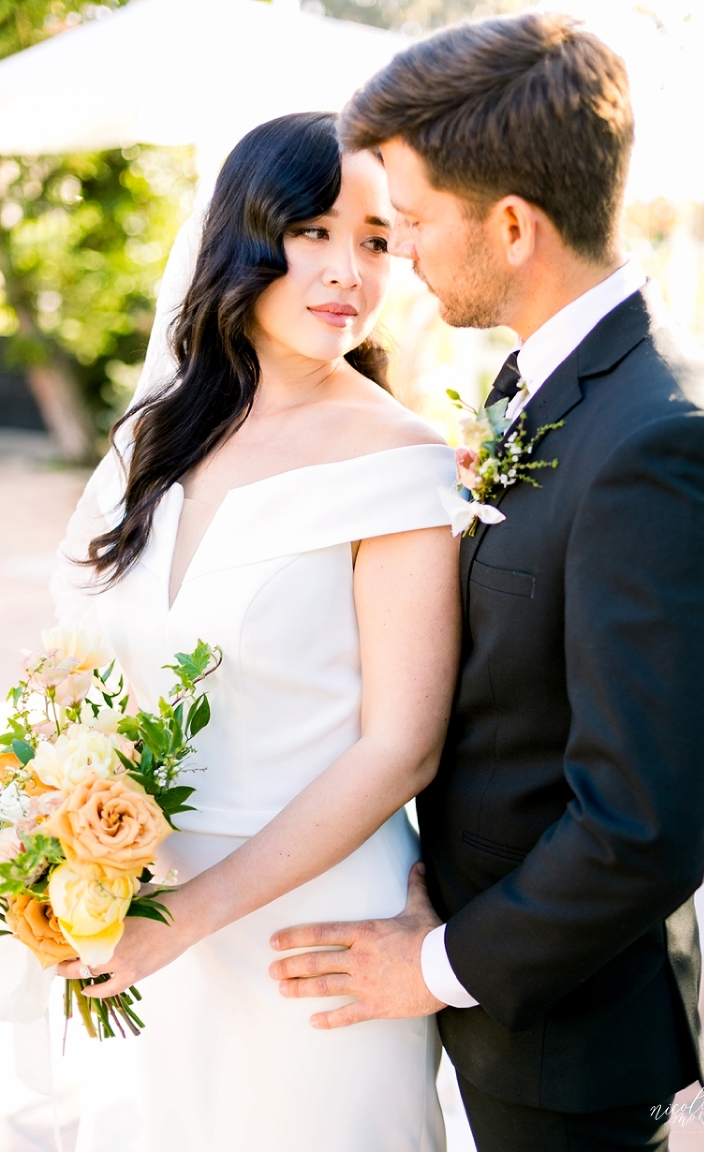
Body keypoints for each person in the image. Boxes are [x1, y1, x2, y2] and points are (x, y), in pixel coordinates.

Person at [268, 14, 704, 1152]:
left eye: (413, 223)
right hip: (494, 995)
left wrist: (432, 967)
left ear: (510, 223)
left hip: (562, 1038)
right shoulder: (548, 379)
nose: (402, 254)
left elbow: (640, 826)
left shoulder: (665, 443)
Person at [54, 110, 459, 1152]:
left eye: (376, 241)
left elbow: (401, 745)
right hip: (137, 920)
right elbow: (80, 672)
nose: (349, 274)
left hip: (314, 937)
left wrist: (191, 918)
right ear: (245, 232)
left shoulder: (401, 462)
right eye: (314, 231)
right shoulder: (157, 435)